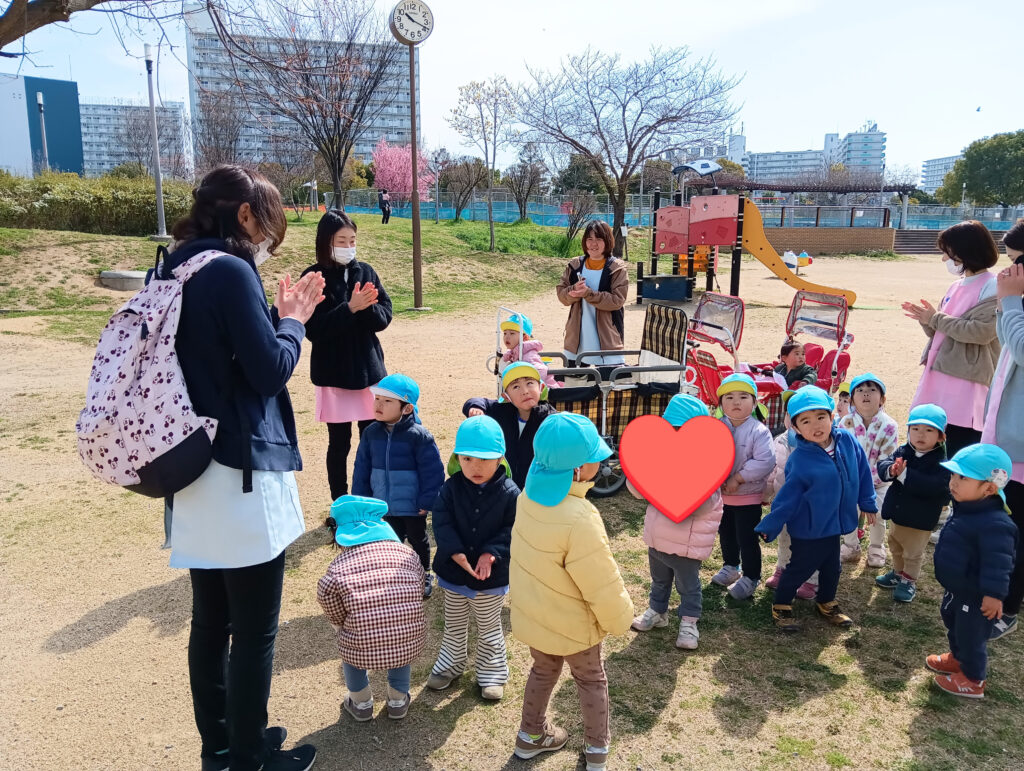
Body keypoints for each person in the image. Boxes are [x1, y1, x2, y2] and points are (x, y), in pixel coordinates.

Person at [163, 165, 321, 771]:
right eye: (267, 224)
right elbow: (267, 370)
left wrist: (275, 316)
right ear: (246, 214)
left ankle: (223, 747)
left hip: (190, 467)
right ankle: (252, 756)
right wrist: (292, 322)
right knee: (253, 629)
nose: (266, 241)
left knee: (211, 622)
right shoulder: (230, 270)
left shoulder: (174, 265)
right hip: (238, 469)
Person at [510, 412, 633, 771]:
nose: (602, 461)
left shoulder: (526, 497)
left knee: (542, 670)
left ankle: (530, 737)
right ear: (578, 469)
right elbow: (599, 580)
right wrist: (621, 619)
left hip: (536, 615)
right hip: (575, 625)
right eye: (596, 456)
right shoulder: (580, 516)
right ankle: (596, 751)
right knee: (591, 679)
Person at [756, 387, 877, 632]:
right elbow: (787, 498)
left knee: (833, 567)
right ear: (796, 428)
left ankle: (826, 601)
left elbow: (862, 471)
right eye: (806, 420)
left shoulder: (847, 442)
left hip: (835, 523)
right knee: (800, 567)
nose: (816, 425)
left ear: (832, 417)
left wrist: (867, 501)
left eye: (821, 417)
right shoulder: (800, 459)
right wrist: (770, 524)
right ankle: (781, 605)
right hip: (809, 528)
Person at [302, 210, 393, 500]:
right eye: (342, 240)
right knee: (338, 444)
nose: (348, 245)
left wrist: (365, 308)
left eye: (352, 239)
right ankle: (341, 503)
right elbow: (314, 329)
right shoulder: (313, 277)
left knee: (371, 440)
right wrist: (350, 308)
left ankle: (368, 498)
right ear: (326, 241)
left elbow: (384, 317)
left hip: (368, 372)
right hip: (334, 376)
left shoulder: (365, 272)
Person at [427, 415, 519, 700]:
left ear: (500, 459)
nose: (475, 467)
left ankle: (491, 672)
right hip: (453, 574)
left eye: (484, 460)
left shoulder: (511, 493)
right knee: (454, 624)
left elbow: (513, 529)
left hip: (490, 578)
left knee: (489, 625)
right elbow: (441, 522)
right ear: (457, 458)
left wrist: (492, 554)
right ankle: (450, 665)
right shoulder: (450, 488)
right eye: (467, 459)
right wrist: (454, 551)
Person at [317, 495, 426, 721]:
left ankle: (361, 703)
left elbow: (327, 597)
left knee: (352, 653)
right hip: (408, 635)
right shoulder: (407, 554)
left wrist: (340, 623)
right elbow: (418, 585)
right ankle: (397, 701)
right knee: (400, 654)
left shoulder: (338, 567)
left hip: (361, 640)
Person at [629, 395, 724, 649]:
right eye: (672, 430)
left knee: (688, 586)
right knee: (659, 580)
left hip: (685, 545)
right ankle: (657, 612)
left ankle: (689, 622)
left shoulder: (708, 467)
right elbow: (638, 491)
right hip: (658, 539)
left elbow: (704, 506)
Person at [903, 221, 1000, 459]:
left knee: (960, 447)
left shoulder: (992, 285)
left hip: (966, 382)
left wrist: (935, 319)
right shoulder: (956, 285)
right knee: (933, 442)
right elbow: (942, 332)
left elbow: (981, 332)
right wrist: (927, 320)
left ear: (966, 251)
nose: (944, 258)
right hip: (940, 374)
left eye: (948, 252)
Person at [927, 444, 1018, 699]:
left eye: (963, 477)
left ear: (989, 488)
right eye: (954, 475)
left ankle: (973, 678)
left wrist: (993, 594)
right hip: (958, 588)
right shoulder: (967, 507)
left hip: (976, 595)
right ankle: (958, 659)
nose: (953, 482)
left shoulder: (996, 524)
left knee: (971, 634)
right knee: (953, 624)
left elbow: (999, 563)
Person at [352, 373, 445, 598]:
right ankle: (389, 576)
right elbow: (361, 468)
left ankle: (424, 573)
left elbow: (433, 472)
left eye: (387, 401)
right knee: (386, 541)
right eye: (377, 399)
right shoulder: (370, 433)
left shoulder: (419, 436)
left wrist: (426, 501)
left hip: (412, 505)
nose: (379, 405)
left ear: (407, 408)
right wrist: (361, 500)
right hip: (381, 505)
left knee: (418, 539)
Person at [982, 222, 1024, 640]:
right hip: (1006, 440)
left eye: (1015, 262)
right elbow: (1009, 343)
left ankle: (1007, 607)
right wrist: (1005, 306)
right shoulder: (1017, 299)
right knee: (1003, 521)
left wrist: (1010, 303)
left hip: (1021, 446)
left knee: (1017, 529)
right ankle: (996, 592)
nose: (1010, 272)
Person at [875, 404, 951, 603]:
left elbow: (935, 487)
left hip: (920, 519)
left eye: (928, 430)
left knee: (913, 553)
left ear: (940, 436)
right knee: (895, 545)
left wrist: (906, 475)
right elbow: (885, 462)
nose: (920, 434)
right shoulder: (904, 450)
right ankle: (898, 573)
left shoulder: (942, 463)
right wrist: (891, 470)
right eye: (915, 429)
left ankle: (909, 581)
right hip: (898, 514)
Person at [709, 374, 775, 600]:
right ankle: (730, 566)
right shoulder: (716, 427)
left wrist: (738, 478)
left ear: (754, 402)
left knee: (747, 538)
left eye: (743, 396)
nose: (736, 402)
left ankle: (751, 576)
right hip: (722, 496)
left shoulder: (759, 431)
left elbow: (765, 461)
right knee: (726, 533)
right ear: (720, 403)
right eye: (729, 397)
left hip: (748, 497)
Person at [463, 361, 558, 490]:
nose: (525, 391)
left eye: (530, 383)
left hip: (537, 486)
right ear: (506, 397)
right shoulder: (503, 411)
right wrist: (475, 407)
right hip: (505, 485)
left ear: (541, 388)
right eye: (516, 387)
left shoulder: (550, 418)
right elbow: (477, 401)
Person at [838, 373, 899, 568]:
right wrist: (851, 483)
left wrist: (866, 488)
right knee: (848, 510)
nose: (866, 394)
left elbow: (886, 460)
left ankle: (876, 546)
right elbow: (840, 456)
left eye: (872, 389)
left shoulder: (889, 426)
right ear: (852, 399)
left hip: (879, 482)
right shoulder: (844, 424)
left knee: (878, 513)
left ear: (882, 399)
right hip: (849, 481)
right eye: (860, 390)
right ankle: (850, 546)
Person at [764, 396, 819, 600]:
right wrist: (767, 492)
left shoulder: (818, 444)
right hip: (784, 502)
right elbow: (773, 469)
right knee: (784, 538)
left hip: (810, 506)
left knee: (808, 544)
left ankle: (811, 580)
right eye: (790, 414)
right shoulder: (781, 439)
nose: (792, 419)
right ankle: (782, 569)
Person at [556, 221, 628, 367]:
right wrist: (573, 290)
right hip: (578, 336)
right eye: (589, 239)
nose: (593, 243)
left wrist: (588, 294)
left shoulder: (616, 268)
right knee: (577, 383)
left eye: (599, 239)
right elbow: (562, 295)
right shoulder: (575, 265)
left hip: (607, 337)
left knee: (608, 383)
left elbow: (617, 301)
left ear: (607, 241)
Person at [500, 312, 559, 389]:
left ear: (525, 338)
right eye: (505, 333)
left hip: (547, 391)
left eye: (512, 333)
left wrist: (530, 386)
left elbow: (540, 370)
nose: (507, 337)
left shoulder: (528, 356)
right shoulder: (515, 352)